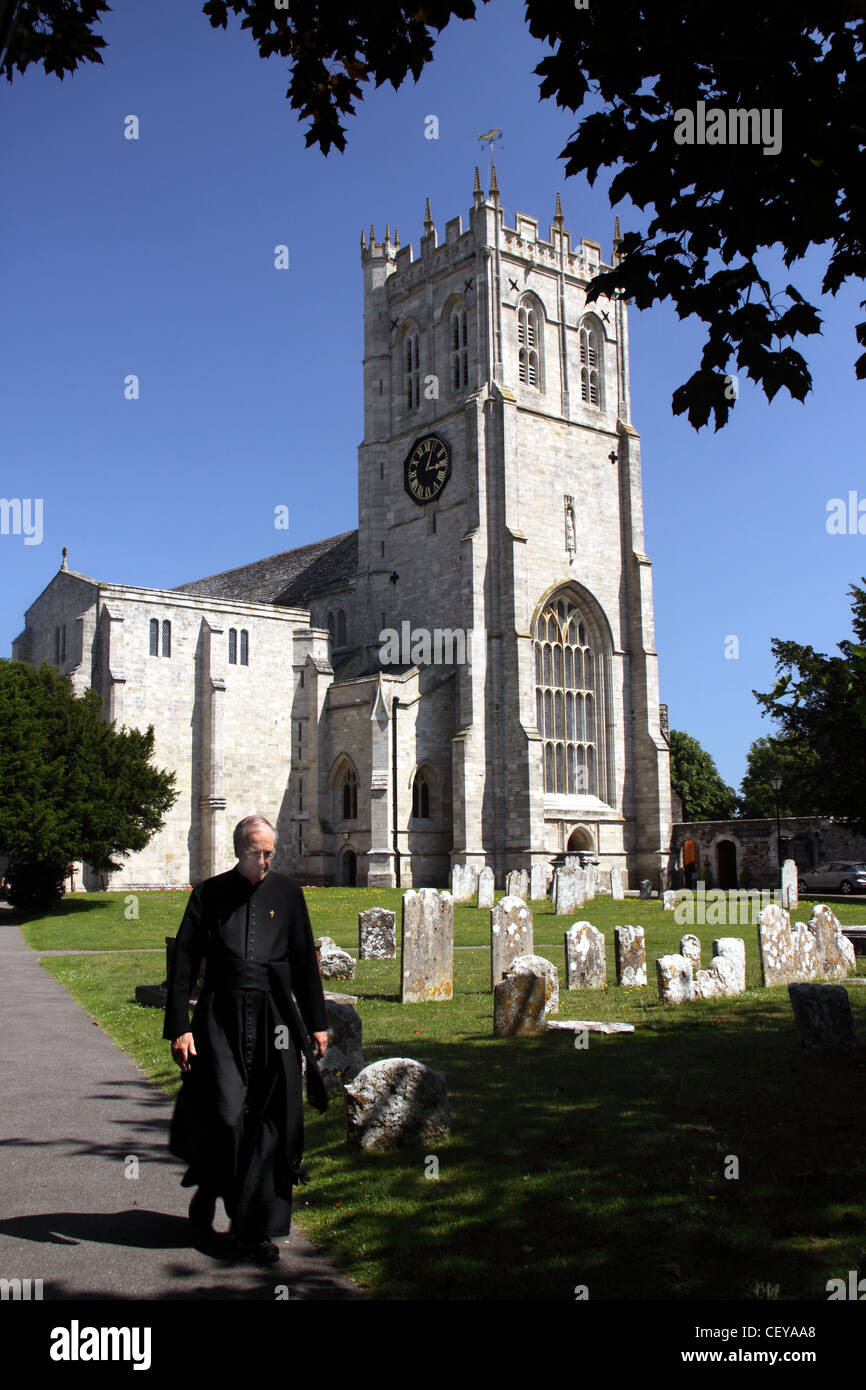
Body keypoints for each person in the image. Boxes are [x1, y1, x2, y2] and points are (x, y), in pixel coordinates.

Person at [163, 815, 328, 1264]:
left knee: (270, 1122)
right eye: (258, 852)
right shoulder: (209, 893)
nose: (265, 860)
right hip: (220, 1016)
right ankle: (211, 1186)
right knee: (228, 1112)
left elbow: (303, 960)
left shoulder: (289, 895)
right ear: (239, 850)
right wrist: (180, 1026)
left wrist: (317, 1023)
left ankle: (252, 1228)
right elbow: (183, 963)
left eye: (270, 852)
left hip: (274, 1015)